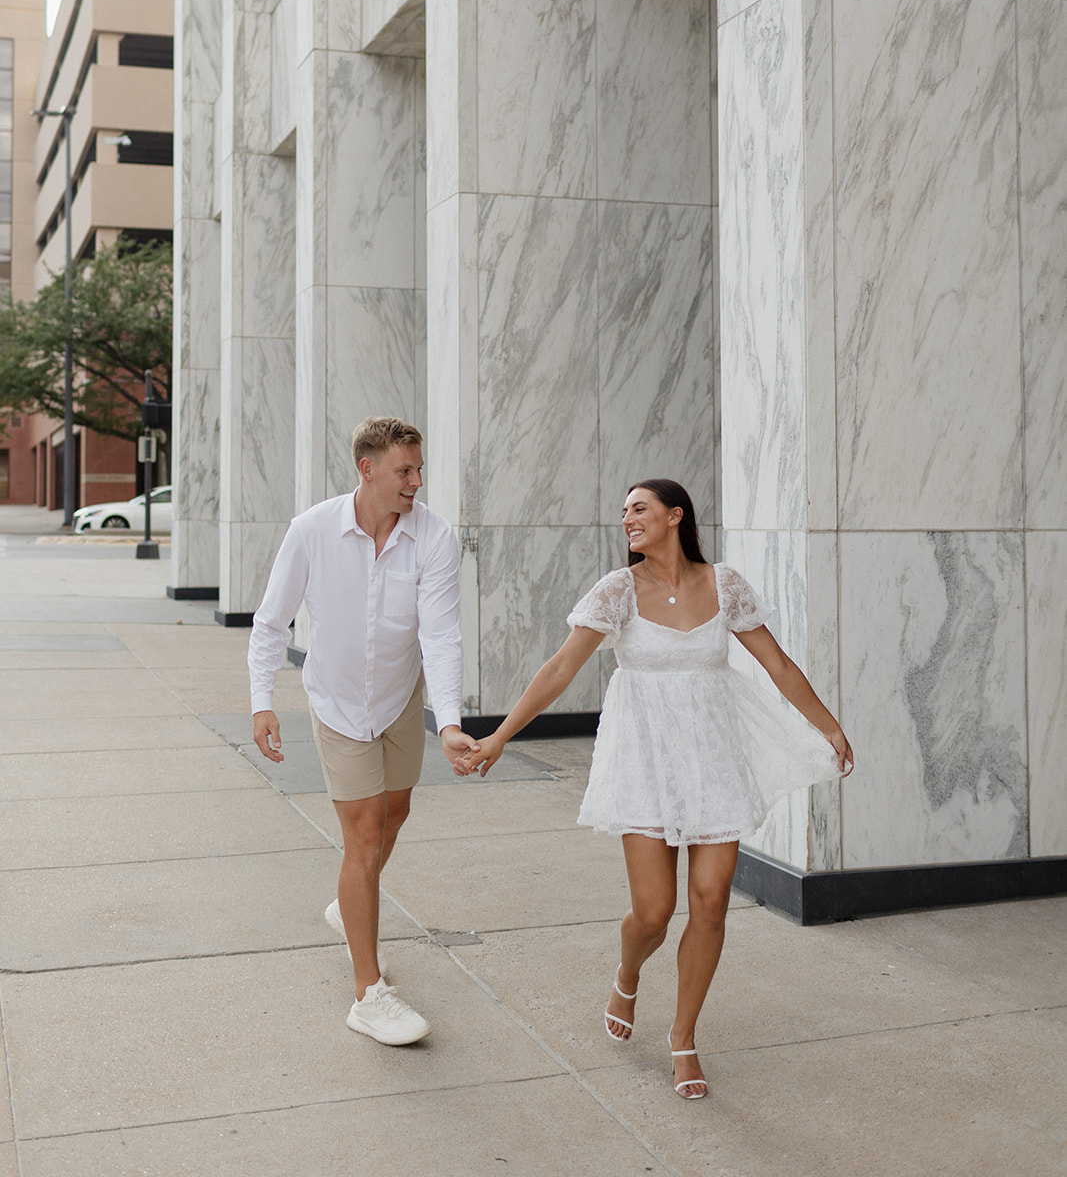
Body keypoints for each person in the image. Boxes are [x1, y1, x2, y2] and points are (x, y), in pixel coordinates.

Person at [455, 479, 853, 1099]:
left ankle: (684, 1036)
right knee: (654, 912)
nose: (627, 520)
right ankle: (627, 972)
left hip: (713, 758)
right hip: (644, 759)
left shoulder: (725, 585)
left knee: (712, 901)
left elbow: (776, 663)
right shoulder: (618, 591)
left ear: (675, 516)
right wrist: (501, 736)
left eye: (638, 509)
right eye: (623, 513)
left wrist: (827, 725)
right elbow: (561, 667)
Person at [249, 416, 481, 1046]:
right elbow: (272, 621)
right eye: (405, 470)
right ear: (368, 468)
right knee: (363, 835)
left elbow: (440, 633)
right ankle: (368, 994)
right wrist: (261, 700)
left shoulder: (433, 535)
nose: (417, 481)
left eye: (419, 468)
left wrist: (451, 722)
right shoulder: (312, 530)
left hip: (401, 699)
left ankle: (349, 903)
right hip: (339, 703)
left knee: (395, 813)